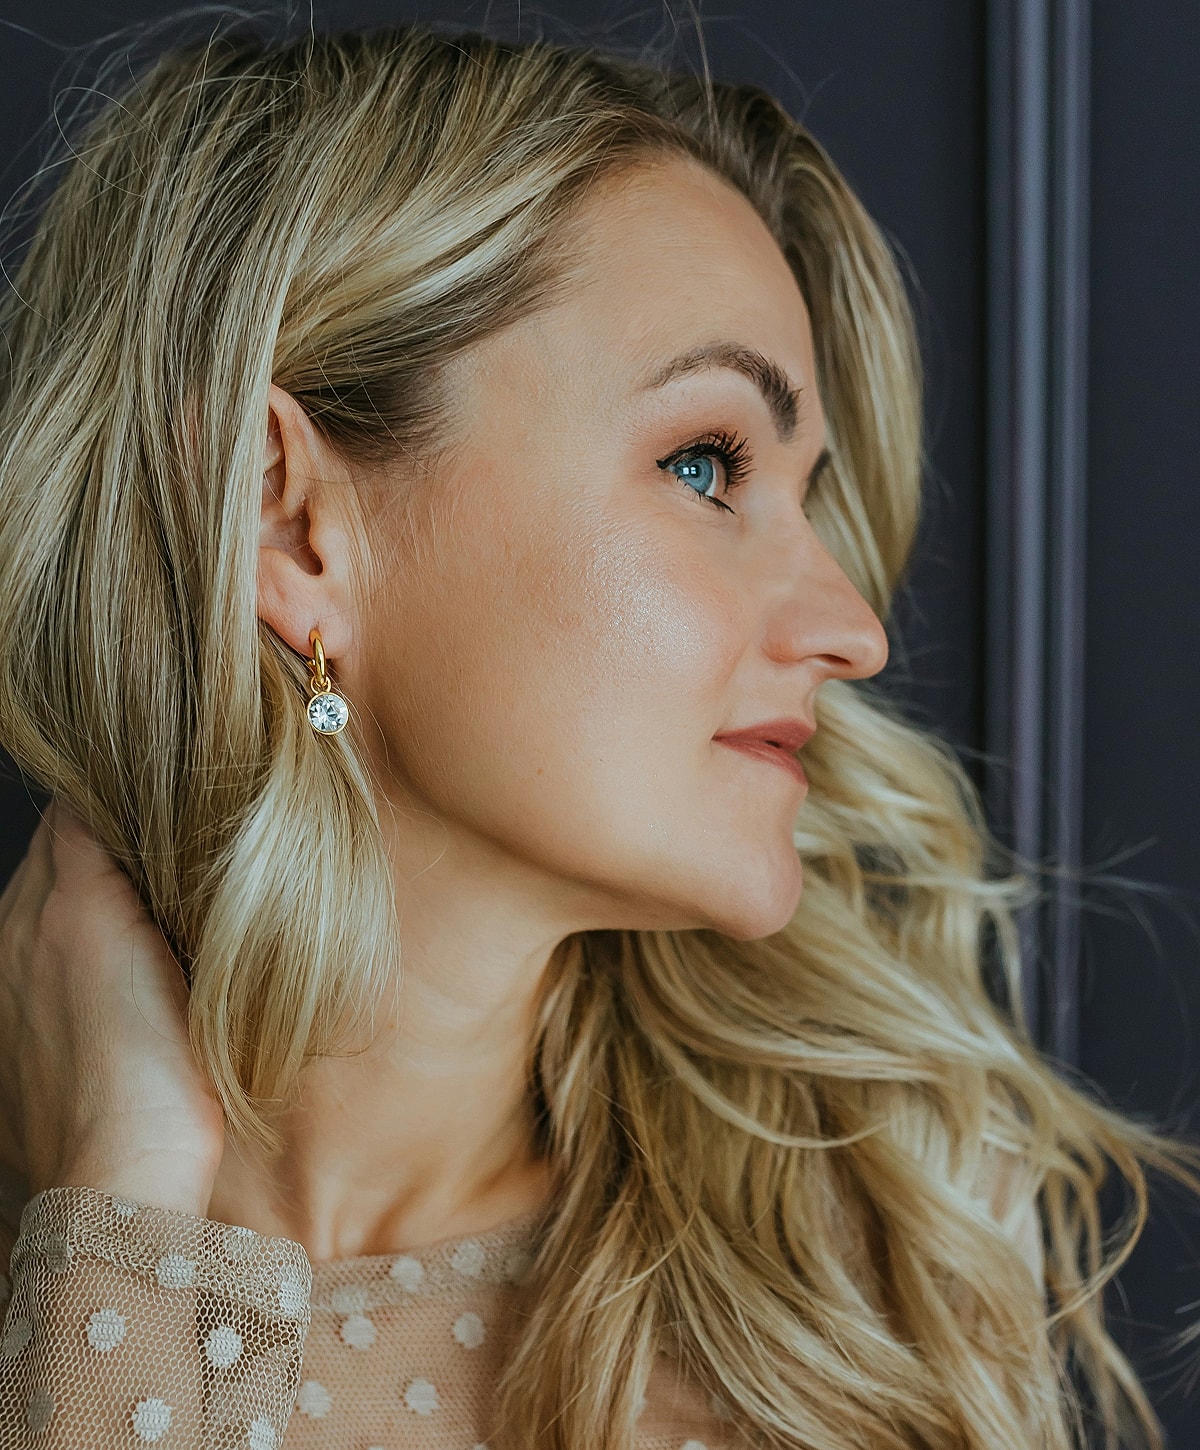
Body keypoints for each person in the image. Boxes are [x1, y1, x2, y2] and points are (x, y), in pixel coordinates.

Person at [0, 16, 1195, 1450]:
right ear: (292, 520)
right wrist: (119, 1201)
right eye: (706, 463)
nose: (854, 629)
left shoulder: (849, 1321)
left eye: (805, 494)